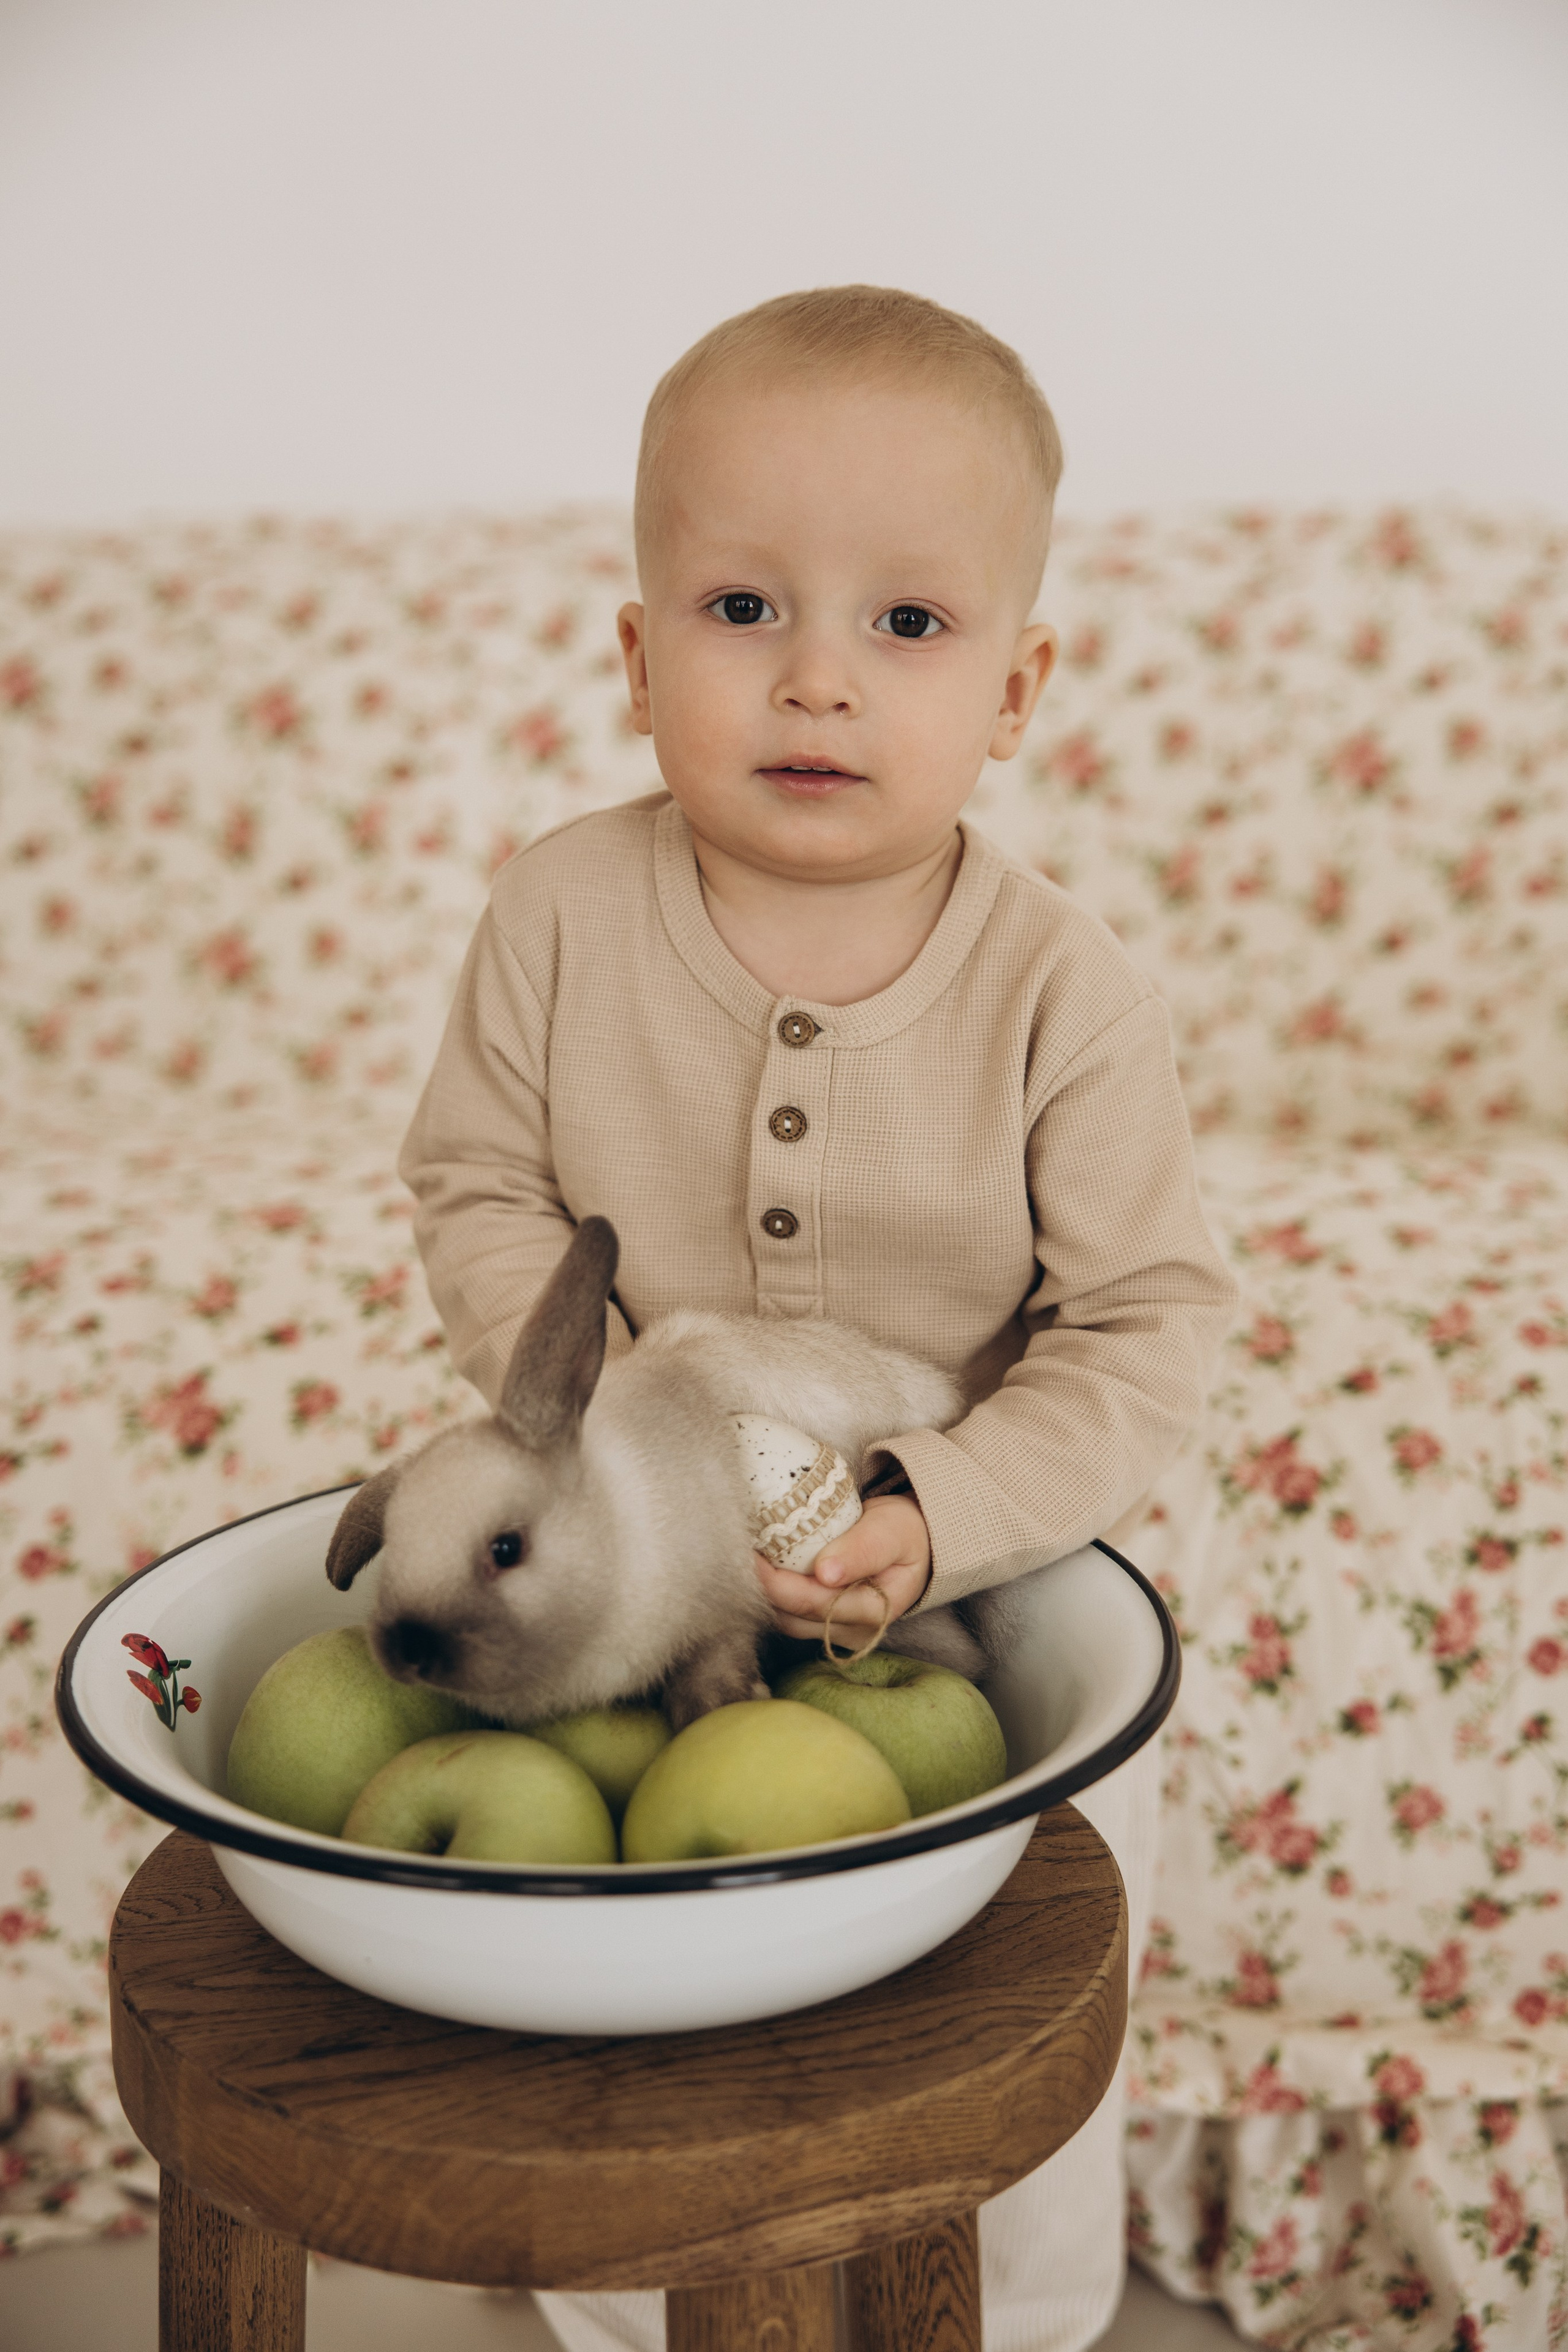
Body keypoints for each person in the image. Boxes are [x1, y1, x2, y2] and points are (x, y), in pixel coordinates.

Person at [399, 285, 1237, 2352]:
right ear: (634, 651)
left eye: (911, 628)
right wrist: (577, 1437)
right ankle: (631, 2300)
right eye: (743, 608)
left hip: (994, 1550)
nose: (819, 682)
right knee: (617, 1897)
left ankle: (1016, 2306)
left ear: (1021, 689)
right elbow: (481, 1186)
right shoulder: (558, 916)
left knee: (1018, 1947)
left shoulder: (1065, 991)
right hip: (649, 1535)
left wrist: (942, 1509)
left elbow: (1144, 1328)